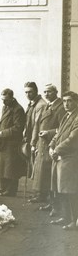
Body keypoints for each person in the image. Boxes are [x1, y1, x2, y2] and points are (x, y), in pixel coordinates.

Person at [32, 84, 65, 213]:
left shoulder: (60, 107)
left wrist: (49, 133)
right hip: (44, 144)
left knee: (53, 177)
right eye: (44, 92)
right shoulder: (48, 105)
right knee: (46, 176)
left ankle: (56, 206)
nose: (46, 94)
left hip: (53, 145)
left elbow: (62, 128)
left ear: (56, 92)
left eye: (49, 92)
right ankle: (51, 203)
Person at [49, 91, 78, 229]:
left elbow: (72, 139)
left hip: (70, 159)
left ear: (76, 102)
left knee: (70, 190)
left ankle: (73, 220)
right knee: (61, 189)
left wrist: (57, 149)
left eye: (69, 101)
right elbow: (58, 134)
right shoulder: (66, 116)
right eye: (64, 101)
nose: (66, 104)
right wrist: (51, 146)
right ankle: (65, 217)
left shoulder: (77, 118)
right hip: (60, 158)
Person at [0, 88, 26, 196]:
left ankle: (11, 191)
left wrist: (3, 133)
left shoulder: (18, 109)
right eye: (2, 99)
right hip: (3, 142)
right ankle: (3, 188)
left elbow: (18, 128)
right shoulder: (5, 107)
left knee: (11, 168)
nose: (3, 102)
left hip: (12, 142)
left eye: (5, 100)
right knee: (2, 167)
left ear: (11, 97)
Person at [23, 82, 47, 199]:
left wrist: (33, 142)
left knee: (38, 167)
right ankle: (37, 193)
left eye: (30, 92)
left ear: (36, 91)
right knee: (34, 166)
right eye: (26, 92)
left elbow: (37, 125)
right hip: (32, 138)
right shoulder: (32, 104)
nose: (28, 94)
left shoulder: (41, 105)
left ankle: (39, 194)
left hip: (38, 140)